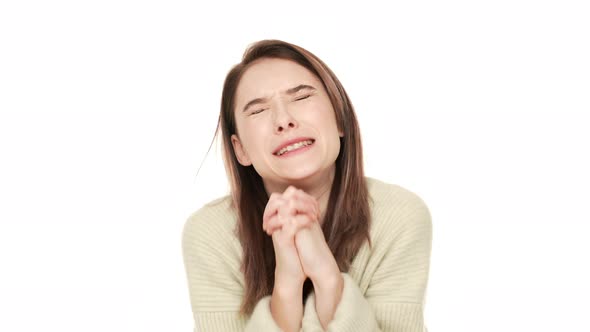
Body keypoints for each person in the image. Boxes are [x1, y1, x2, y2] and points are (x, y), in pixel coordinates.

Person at [182, 39, 432, 332]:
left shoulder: (398, 215)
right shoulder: (211, 233)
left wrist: (326, 276)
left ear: (339, 118)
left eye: (300, 98)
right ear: (241, 150)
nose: (284, 120)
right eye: (258, 110)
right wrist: (287, 284)